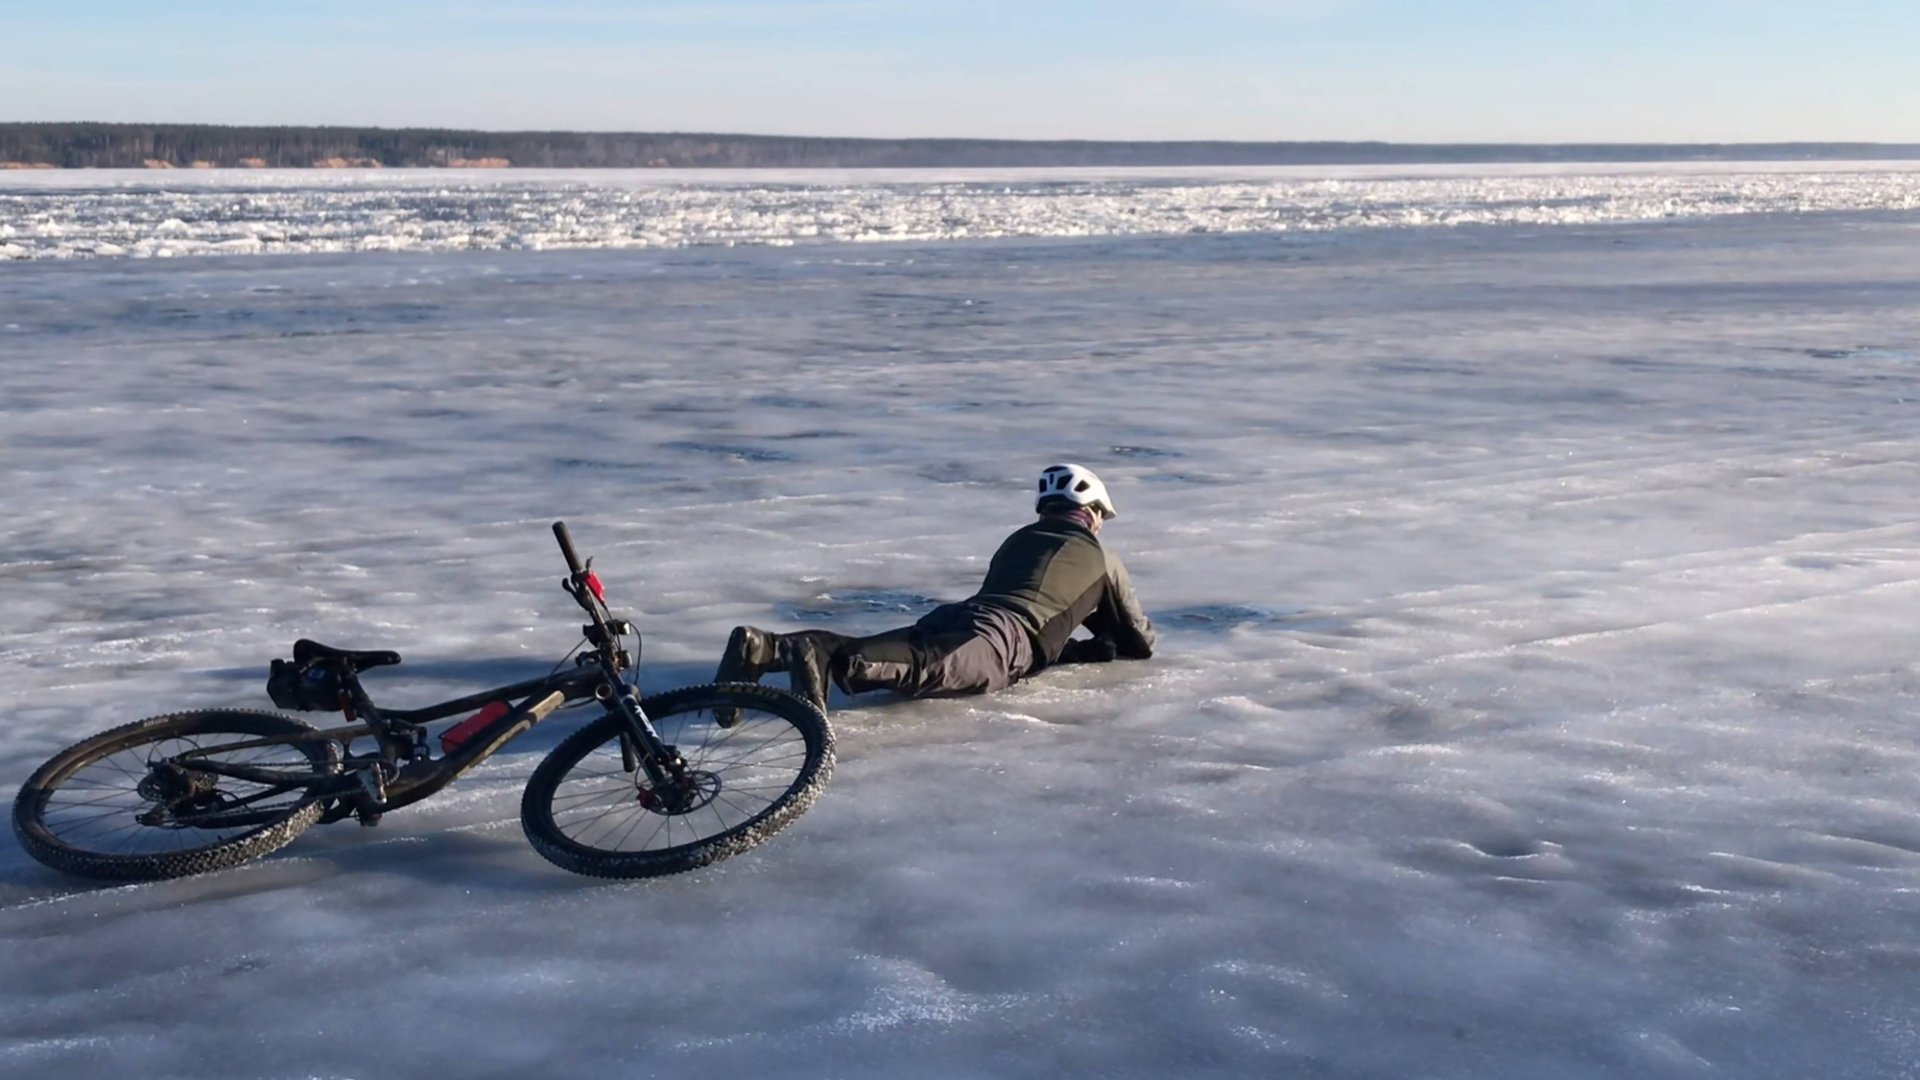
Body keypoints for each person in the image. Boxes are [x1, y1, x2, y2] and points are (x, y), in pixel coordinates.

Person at [713, 463, 1156, 719]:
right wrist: (1108, 641)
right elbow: (1137, 640)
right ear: (1093, 512)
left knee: (901, 653)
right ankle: (815, 650)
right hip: (1001, 638)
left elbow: (1044, 610)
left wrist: (1079, 651)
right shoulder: (1102, 559)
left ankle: (765, 648)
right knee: (920, 668)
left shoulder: (1019, 539)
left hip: (964, 617)